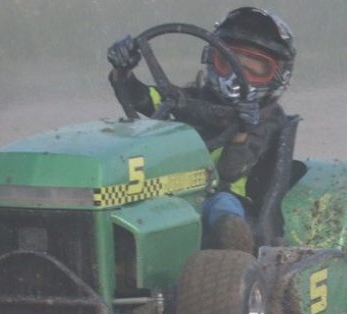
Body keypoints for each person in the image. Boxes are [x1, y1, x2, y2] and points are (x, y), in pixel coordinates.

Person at [106, 7, 296, 253]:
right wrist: (122, 69)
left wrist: (242, 130)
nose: (239, 75)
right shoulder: (186, 99)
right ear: (212, 58)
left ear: (277, 76)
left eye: (254, 69)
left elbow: (230, 172)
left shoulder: (267, 121)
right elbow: (140, 98)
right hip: (173, 191)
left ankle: (231, 247)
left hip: (225, 196)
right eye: (229, 62)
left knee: (222, 206)